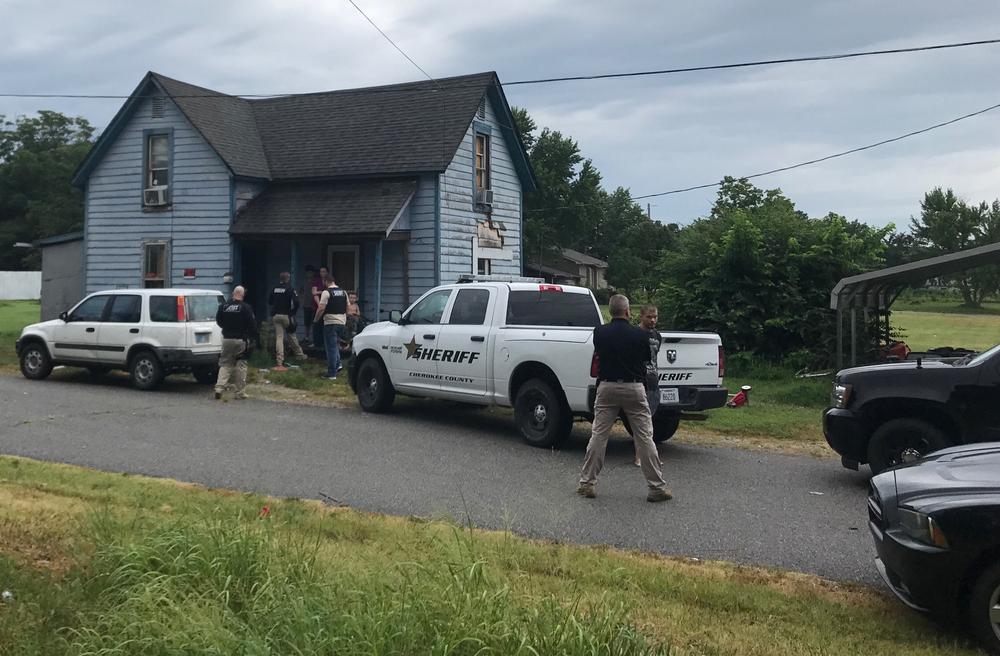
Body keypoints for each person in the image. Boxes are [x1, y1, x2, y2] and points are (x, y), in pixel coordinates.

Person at [578, 294, 672, 502]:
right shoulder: (640, 336)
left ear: (610, 312)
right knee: (644, 437)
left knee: (599, 435)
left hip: (606, 387)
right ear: (628, 311)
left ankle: (587, 483)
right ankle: (656, 487)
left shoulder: (599, 332)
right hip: (634, 388)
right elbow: (646, 360)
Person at [214, 285, 257, 400]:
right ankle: (240, 392)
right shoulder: (245, 307)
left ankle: (219, 388)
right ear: (242, 294)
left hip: (227, 339)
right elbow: (252, 324)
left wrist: (227, 329)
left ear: (233, 293)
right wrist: (252, 337)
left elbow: (218, 320)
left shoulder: (223, 306)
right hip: (240, 340)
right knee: (241, 365)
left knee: (225, 364)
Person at [635, 304, 663, 467]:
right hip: (639, 381)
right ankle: (639, 455)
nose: (652, 320)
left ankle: (649, 456)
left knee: (649, 420)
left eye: (655, 317)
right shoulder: (636, 334)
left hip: (653, 380)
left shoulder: (657, 336)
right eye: (649, 317)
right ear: (642, 316)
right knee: (640, 421)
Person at [268, 271, 306, 371]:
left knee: (279, 337)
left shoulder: (275, 288)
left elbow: (270, 301)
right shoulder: (290, 288)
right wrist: (293, 312)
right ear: (288, 278)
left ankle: (279, 360)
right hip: (286, 315)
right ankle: (299, 354)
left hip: (276, 315)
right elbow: (296, 301)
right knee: (291, 334)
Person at [314, 274, 348, 380]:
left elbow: (321, 308)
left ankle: (331, 373)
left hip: (330, 323)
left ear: (326, 281)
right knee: (335, 345)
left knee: (331, 348)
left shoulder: (326, 292)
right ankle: (338, 364)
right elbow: (347, 307)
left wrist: (316, 320)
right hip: (341, 322)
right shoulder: (343, 292)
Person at [311, 266, 328, 353]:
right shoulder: (316, 281)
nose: (323, 273)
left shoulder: (328, 281)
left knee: (325, 324)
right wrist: (319, 305)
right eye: (321, 272)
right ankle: (316, 342)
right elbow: (314, 292)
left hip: (327, 306)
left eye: (324, 271)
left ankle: (324, 342)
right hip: (317, 306)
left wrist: (320, 292)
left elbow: (329, 291)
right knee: (316, 323)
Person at [300, 265, 317, 344]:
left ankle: (314, 338)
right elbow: (301, 291)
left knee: (314, 322)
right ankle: (306, 337)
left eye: (311, 272)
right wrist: (302, 301)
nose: (309, 274)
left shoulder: (315, 281)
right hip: (306, 305)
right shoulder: (304, 282)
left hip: (314, 305)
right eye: (308, 273)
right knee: (307, 323)